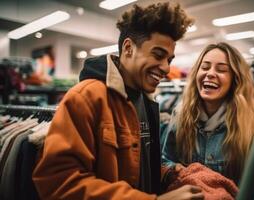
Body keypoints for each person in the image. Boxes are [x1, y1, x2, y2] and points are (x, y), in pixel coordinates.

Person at [32, 2, 205, 200]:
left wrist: (167, 174)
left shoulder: (147, 101)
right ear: (129, 48)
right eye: (158, 55)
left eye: (170, 60)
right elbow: (58, 183)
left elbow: (136, 166)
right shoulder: (86, 97)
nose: (166, 68)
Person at [162, 42, 254, 184]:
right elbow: (165, 160)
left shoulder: (251, 121)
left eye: (221, 70)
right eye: (205, 67)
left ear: (235, 79)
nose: (210, 73)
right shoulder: (181, 114)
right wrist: (176, 169)